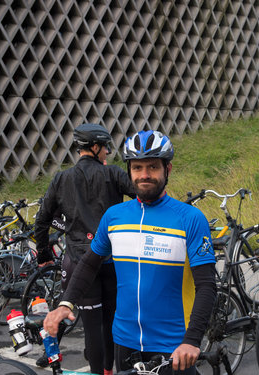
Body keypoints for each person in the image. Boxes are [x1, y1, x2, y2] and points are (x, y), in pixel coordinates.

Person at [44, 130, 217, 375]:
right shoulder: (115, 217)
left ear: (167, 169)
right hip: (124, 343)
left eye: (152, 167)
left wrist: (192, 340)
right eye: (137, 168)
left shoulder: (189, 218)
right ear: (129, 171)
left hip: (174, 346)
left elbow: (207, 285)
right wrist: (65, 303)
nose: (144, 175)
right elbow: (89, 263)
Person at [34, 123, 135, 375]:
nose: (107, 153)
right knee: (110, 323)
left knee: (92, 328)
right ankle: (109, 371)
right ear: (95, 146)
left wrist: (44, 254)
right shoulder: (113, 174)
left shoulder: (61, 178)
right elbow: (143, 196)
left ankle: (96, 372)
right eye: (105, 148)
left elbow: (42, 219)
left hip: (79, 261)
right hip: (112, 261)